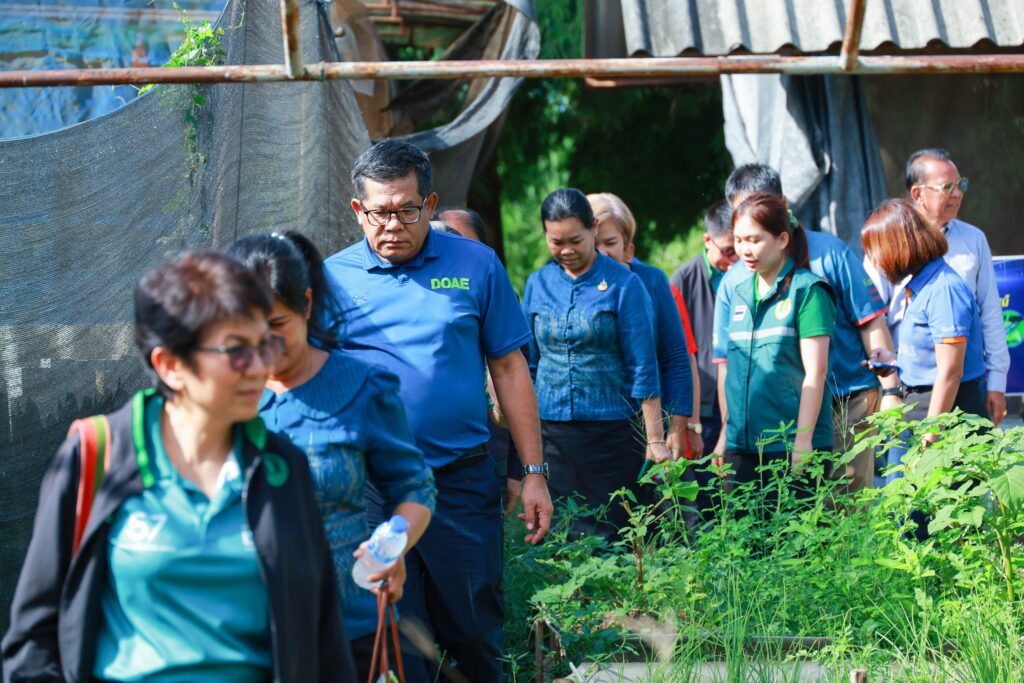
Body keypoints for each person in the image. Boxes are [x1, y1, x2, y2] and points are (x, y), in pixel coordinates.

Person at [2, 251, 356, 682]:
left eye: (264, 344)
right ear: (170, 366)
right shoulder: (95, 455)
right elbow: (32, 644)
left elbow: (324, 638)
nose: (261, 367)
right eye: (236, 351)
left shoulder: (283, 467)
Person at [324, 140, 552, 683]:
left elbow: (510, 368)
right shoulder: (332, 280)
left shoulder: (476, 265)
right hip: (374, 491)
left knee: (473, 632)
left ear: (429, 205)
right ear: (358, 210)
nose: (392, 224)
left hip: (459, 483)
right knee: (396, 635)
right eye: (379, 212)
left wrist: (533, 472)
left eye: (407, 210)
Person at [228, 231, 436, 682]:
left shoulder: (362, 386)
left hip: (349, 627)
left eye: (277, 325)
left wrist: (390, 544)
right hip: (243, 633)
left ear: (306, 304)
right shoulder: (217, 394)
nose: (264, 344)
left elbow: (414, 487)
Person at [716, 164, 900, 493]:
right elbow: (727, 364)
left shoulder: (830, 254)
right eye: (742, 215)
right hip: (773, 419)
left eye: (761, 209)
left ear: (783, 206)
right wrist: (725, 432)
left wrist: (890, 390)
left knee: (843, 506)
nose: (747, 238)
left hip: (846, 400)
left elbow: (870, 320)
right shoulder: (735, 281)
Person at [523, 188, 670, 540]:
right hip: (553, 436)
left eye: (575, 240)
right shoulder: (538, 284)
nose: (567, 250)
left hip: (613, 435)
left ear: (593, 228)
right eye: (556, 242)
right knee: (563, 536)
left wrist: (655, 438)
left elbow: (643, 365)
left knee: (616, 534)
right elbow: (527, 363)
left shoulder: (625, 284)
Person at [864, 148, 1010, 426]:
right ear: (917, 193)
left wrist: (997, 382)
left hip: (960, 382)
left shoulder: (972, 241)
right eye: (947, 187)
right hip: (907, 380)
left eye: (960, 185)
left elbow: (990, 313)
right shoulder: (889, 240)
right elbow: (873, 316)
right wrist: (891, 385)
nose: (957, 194)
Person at [712, 193, 836, 494]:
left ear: (782, 239)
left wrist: (803, 440)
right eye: (739, 240)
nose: (745, 250)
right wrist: (725, 435)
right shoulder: (739, 294)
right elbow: (731, 372)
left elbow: (816, 372)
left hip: (790, 444)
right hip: (742, 445)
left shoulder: (808, 290)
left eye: (754, 240)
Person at [861, 199, 987, 447]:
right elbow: (933, 354)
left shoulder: (944, 290)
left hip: (948, 415)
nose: (876, 261)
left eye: (876, 251)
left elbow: (950, 372)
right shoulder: (921, 286)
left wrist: (931, 434)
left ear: (899, 247)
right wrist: (895, 360)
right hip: (918, 408)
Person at [588, 191, 699, 461]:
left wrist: (678, 427)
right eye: (595, 243)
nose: (602, 252)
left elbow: (676, 358)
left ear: (628, 247)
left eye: (610, 242)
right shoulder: (571, 289)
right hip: (590, 426)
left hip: (649, 425)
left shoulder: (652, 281)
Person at [436, 206, 524, 514]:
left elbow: (517, 381)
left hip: (489, 454)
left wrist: (518, 470)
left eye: (463, 242)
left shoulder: (497, 296)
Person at [670, 199, 736, 518]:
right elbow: (679, 356)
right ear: (708, 240)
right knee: (704, 496)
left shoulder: (745, 274)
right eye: (728, 251)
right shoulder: (683, 280)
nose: (734, 259)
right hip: (704, 407)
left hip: (738, 400)